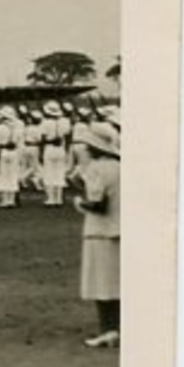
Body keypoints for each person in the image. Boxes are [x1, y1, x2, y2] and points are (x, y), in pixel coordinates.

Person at [72, 123, 122, 347]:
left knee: (101, 283)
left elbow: (98, 205)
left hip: (99, 231)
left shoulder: (97, 168)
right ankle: (117, 328)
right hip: (119, 228)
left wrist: (79, 203)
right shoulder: (120, 166)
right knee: (116, 281)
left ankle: (109, 329)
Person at [38, 100, 72, 207]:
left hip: (49, 148)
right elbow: (68, 137)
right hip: (60, 149)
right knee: (59, 173)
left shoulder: (45, 122)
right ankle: (58, 199)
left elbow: (42, 138)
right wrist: (66, 149)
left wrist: (41, 152)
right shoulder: (65, 122)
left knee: (49, 173)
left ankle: (51, 199)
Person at [0, 107, 22, 208]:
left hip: (4, 152)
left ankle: (5, 200)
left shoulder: (0, 128)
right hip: (14, 152)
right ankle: (11, 200)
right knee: (13, 175)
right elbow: (20, 143)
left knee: (4, 175)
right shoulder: (18, 127)